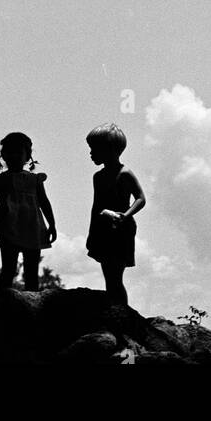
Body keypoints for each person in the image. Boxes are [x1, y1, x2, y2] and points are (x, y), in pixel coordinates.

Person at [0, 131, 57, 290]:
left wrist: (52, 224)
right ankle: (3, 302)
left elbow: (44, 202)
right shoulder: (0, 180)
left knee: (32, 271)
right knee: (9, 268)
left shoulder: (35, 180)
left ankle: (32, 304)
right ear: (4, 156)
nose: (14, 156)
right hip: (9, 228)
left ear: (27, 156)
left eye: (19, 152)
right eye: (10, 152)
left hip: (32, 227)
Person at [85, 122, 146, 304]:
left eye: (94, 149)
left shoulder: (125, 173)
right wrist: (92, 233)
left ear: (109, 149)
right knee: (109, 275)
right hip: (103, 228)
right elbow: (97, 206)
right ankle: (115, 308)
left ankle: (122, 313)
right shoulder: (98, 177)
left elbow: (140, 198)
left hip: (121, 229)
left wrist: (125, 216)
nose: (91, 154)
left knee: (115, 275)